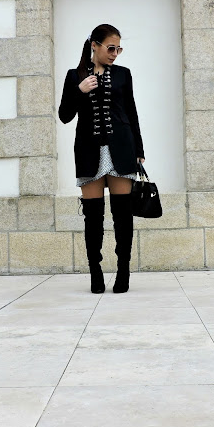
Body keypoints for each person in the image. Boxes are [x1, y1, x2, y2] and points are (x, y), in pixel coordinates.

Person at [58, 23, 145, 294]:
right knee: (93, 218)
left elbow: (131, 112)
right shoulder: (75, 76)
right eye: (111, 48)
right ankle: (95, 273)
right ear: (94, 45)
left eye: (118, 49)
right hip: (88, 151)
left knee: (123, 216)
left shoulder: (123, 74)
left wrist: (139, 151)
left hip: (122, 149)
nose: (115, 54)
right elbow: (64, 116)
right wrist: (79, 90)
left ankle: (123, 272)